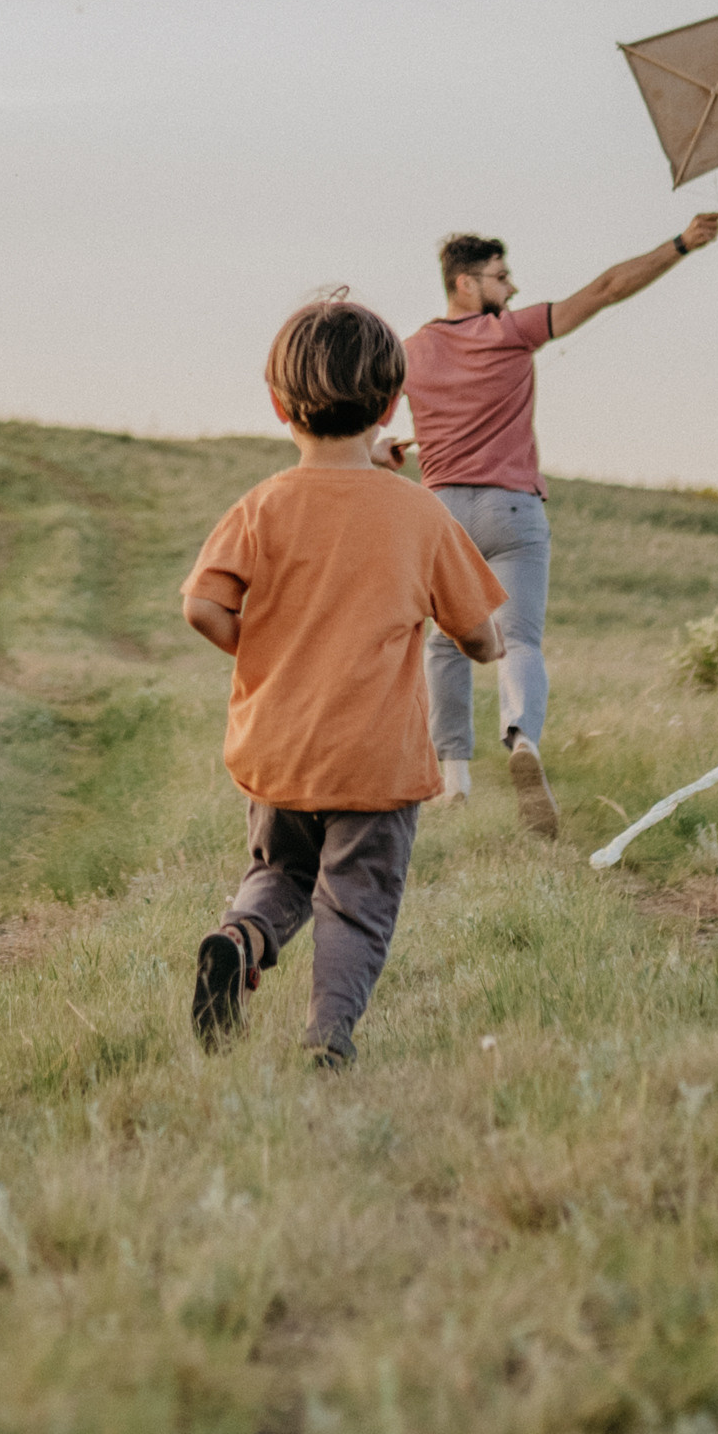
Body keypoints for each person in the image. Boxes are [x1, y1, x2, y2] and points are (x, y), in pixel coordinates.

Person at [182, 290, 504, 1070]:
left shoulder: (261, 506)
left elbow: (201, 606)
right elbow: (478, 636)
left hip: (281, 749)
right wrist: (486, 643)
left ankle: (238, 938)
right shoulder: (418, 515)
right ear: (392, 405)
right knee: (355, 902)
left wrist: (263, 652)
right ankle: (328, 1035)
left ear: (274, 404)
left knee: (280, 873)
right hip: (373, 761)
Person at [391, 214, 718, 840]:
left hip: (442, 514)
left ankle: (454, 778)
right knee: (519, 639)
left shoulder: (410, 352)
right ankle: (522, 739)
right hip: (511, 510)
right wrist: (681, 243)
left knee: (444, 642)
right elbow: (605, 289)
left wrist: (390, 449)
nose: (512, 288)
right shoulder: (513, 332)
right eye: (500, 276)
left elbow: (373, 414)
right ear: (465, 284)